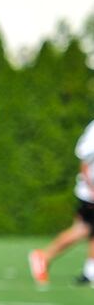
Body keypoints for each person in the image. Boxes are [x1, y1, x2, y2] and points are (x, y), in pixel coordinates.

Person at [30, 120, 94, 286]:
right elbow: (84, 162)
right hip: (90, 192)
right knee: (83, 229)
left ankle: (90, 271)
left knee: (89, 229)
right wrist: (91, 188)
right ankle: (44, 256)